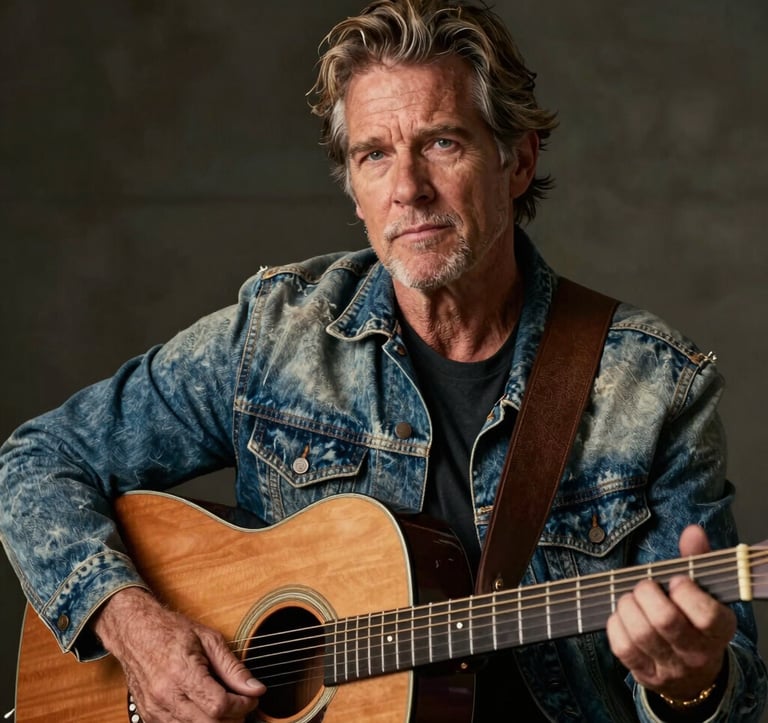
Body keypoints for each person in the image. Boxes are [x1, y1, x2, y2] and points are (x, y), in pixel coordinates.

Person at [1, 0, 766, 721]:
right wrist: (132, 624)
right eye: (374, 154)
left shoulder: (652, 386)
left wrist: (693, 683)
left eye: (442, 142)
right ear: (354, 190)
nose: (408, 188)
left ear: (519, 161)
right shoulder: (276, 335)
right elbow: (34, 463)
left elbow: (734, 691)